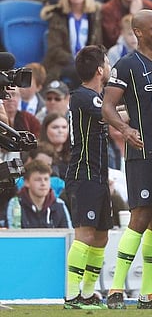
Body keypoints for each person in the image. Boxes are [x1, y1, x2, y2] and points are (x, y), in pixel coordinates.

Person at [102, 9, 152, 309]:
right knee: (141, 217)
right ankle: (116, 288)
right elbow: (107, 107)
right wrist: (124, 129)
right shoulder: (127, 66)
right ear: (139, 32)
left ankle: (149, 292)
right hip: (144, 154)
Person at [63, 44, 112, 309]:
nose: (109, 65)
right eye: (107, 61)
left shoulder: (94, 98)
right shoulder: (83, 96)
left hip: (99, 176)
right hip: (84, 174)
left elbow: (112, 113)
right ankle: (71, 296)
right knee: (85, 234)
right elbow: (110, 115)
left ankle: (88, 293)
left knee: (101, 235)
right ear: (99, 70)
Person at [41, 0, 103, 88]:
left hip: (89, 63)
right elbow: (54, 49)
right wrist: (76, 60)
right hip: (63, 63)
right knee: (77, 73)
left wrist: (88, 60)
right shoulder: (58, 16)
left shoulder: (94, 16)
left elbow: (98, 44)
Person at [6, 160, 72, 229]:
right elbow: (13, 235)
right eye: (38, 179)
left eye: (46, 179)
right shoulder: (15, 204)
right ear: (27, 182)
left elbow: (68, 235)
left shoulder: (60, 204)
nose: (43, 183)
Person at [39, 113, 71, 179]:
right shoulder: (37, 152)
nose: (60, 131)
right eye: (55, 127)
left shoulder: (74, 152)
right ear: (45, 130)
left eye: (64, 127)